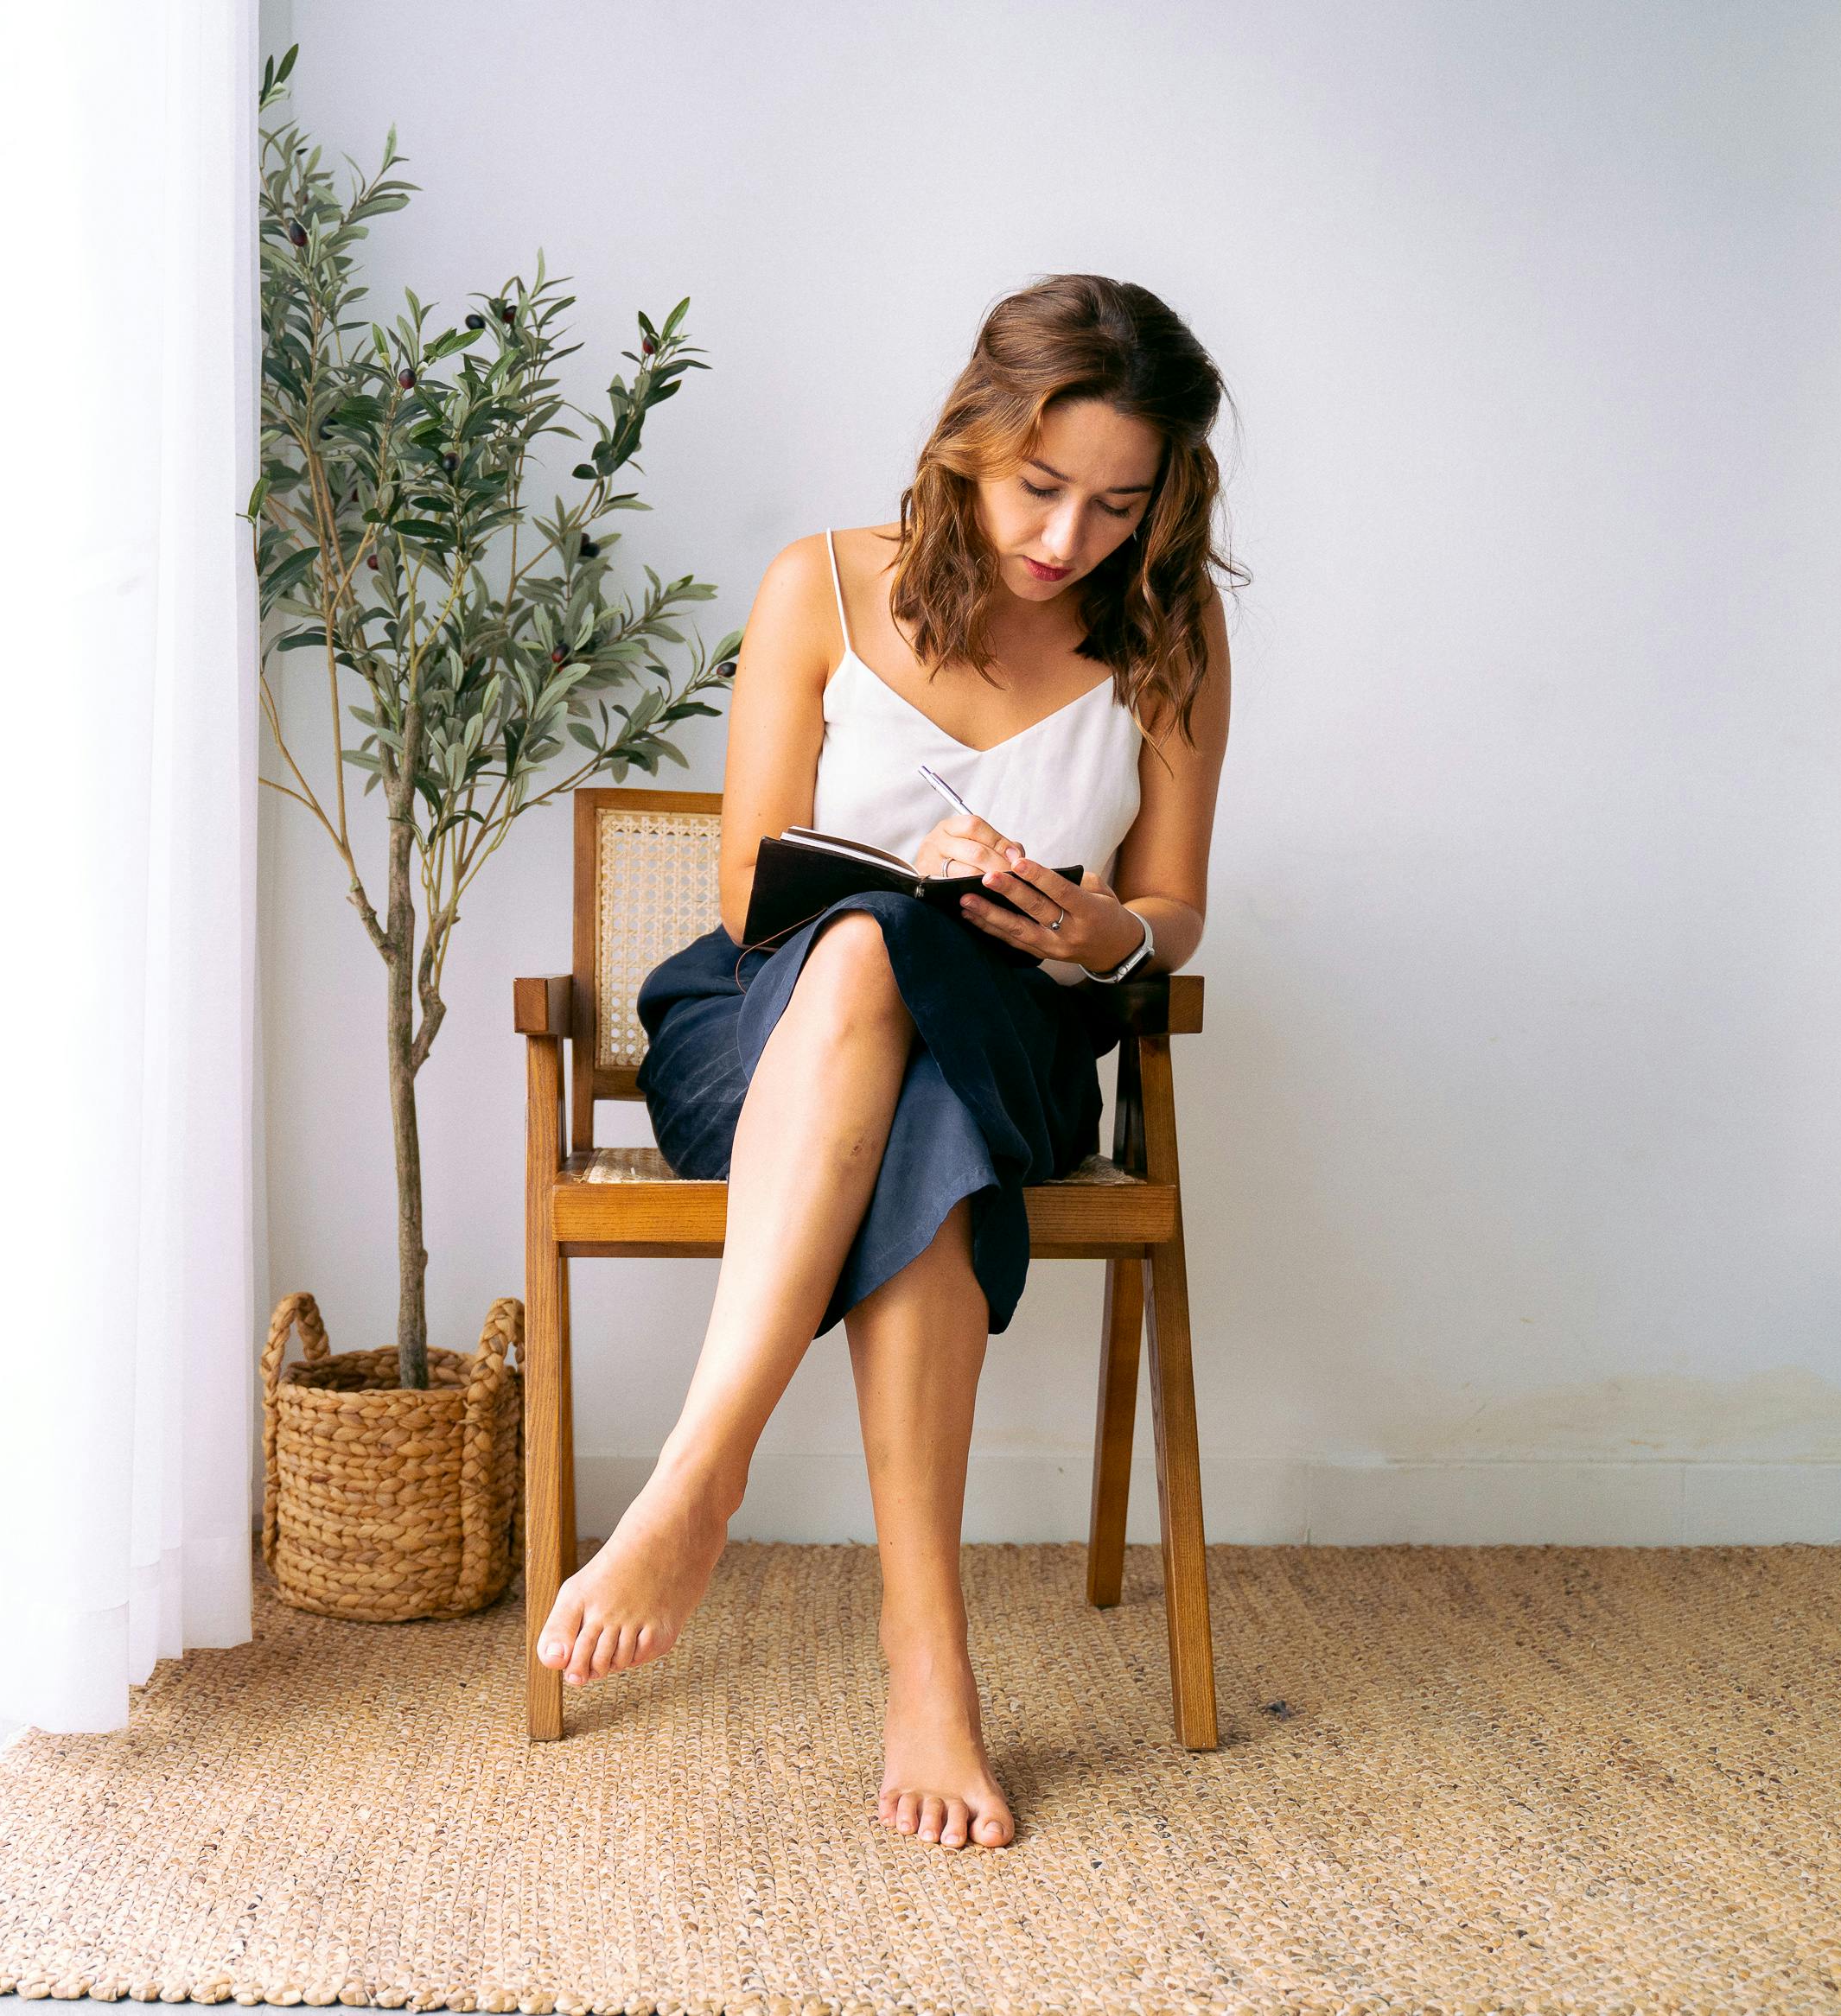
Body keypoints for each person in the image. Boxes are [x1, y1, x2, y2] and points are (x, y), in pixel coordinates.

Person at [532, 274, 1239, 1850]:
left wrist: (1088, 923)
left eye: (1119, 506)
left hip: (1023, 1040)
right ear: (972, 438)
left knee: (937, 1075)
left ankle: (697, 1479)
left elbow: (1176, 910)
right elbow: (739, 895)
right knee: (865, 954)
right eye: (1042, 488)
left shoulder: (1169, 634)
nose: (1068, 540)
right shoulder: (821, 586)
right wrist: (906, 870)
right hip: (770, 1038)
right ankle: (925, 1666)